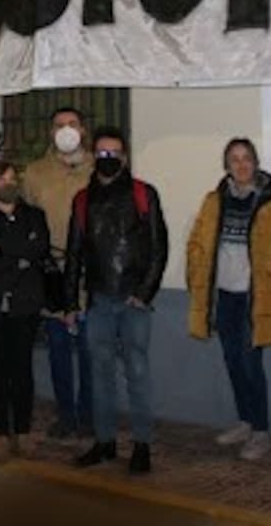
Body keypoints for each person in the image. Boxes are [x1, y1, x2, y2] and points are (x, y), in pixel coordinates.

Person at [66, 126, 168, 475]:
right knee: (100, 374)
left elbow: (158, 247)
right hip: (99, 300)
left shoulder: (143, 194)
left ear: (124, 157)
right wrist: (70, 303)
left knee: (137, 373)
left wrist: (144, 293)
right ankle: (105, 442)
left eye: (115, 153)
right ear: (95, 156)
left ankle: (142, 445)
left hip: (133, 301)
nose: (108, 159)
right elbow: (74, 254)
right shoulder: (82, 200)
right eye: (102, 153)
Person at [186, 137, 271, 461]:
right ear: (226, 166)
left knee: (250, 363)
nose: (241, 165)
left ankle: (261, 431)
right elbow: (198, 243)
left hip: (253, 297)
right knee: (232, 361)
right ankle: (245, 421)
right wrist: (196, 279)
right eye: (234, 159)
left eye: (246, 158)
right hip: (224, 295)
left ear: (255, 162)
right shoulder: (215, 201)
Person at [21, 106, 95, 439]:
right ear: (50, 132)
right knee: (59, 351)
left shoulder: (100, 169)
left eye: (72, 124)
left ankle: (90, 414)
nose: (66, 130)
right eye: (59, 125)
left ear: (83, 129)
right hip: (52, 275)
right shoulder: (34, 173)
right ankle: (66, 414)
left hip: (91, 276)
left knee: (92, 352)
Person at [0, 160, 49, 463]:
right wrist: (17, 258)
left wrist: (3, 252)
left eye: (12, 178)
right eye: (2, 179)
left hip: (24, 305)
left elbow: (38, 249)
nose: (9, 184)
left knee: (22, 369)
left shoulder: (34, 216)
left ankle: (24, 430)